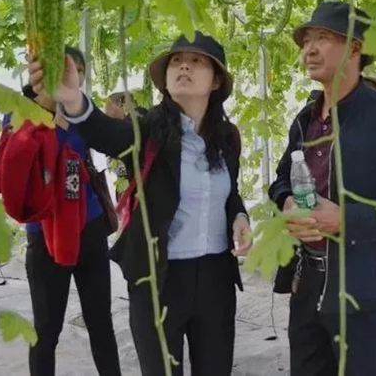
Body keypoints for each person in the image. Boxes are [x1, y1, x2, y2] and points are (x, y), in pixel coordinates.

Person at [28, 32, 252, 376]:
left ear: (216, 80)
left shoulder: (227, 138)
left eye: (196, 61)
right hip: (158, 279)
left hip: (216, 279)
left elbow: (230, 191)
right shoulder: (148, 130)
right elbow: (105, 133)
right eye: (176, 61)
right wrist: (73, 99)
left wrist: (239, 215)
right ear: (165, 78)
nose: (184, 67)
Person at [269, 2, 376, 376]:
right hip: (307, 283)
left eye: (322, 38)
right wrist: (287, 200)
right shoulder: (304, 119)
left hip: (365, 291)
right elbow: (281, 179)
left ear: (355, 48)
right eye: (306, 40)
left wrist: (346, 218)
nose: (309, 49)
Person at [0, 47, 121, 376]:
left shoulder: (83, 112)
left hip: (88, 226)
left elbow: (109, 141)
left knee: (100, 323)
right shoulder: (20, 111)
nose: (73, 76)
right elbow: (15, 161)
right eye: (64, 69)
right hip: (45, 232)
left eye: (78, 70)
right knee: (46, 329)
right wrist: (44, 114)